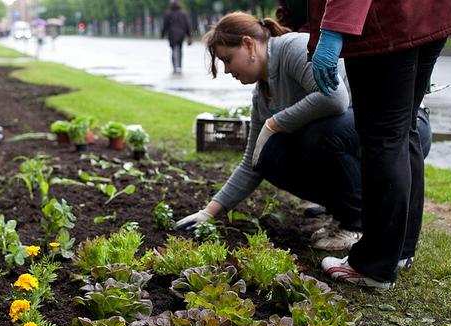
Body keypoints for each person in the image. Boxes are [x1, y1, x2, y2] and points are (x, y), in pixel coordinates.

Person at [175, 12, 432, 254]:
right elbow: (251, 162)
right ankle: (345, 211)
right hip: (357, 138)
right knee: (268, 156)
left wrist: (275, 123)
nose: (228, 70)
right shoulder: (263, 96)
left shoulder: (293, 48)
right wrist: (209, 212)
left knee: (318, 135)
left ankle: (356, 223)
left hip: (399, 129)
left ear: (249, 44)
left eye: (227, 59)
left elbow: (335, 99)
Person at [308, 1, 451, 290]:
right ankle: (399, 252)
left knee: (383, 137)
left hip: (387, 18)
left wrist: (334, 27)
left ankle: (374, 265)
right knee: (402, 129)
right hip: (431, 11)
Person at [161, 0, 192, 74]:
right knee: (180, 50)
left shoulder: (168, 14)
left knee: (173, 50)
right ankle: (180, 66)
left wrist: (162, 34)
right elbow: (187, 25)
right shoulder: (183, 13)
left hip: (172, 35)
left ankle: (175, 66)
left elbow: (165, 25)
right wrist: (189, 36)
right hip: (181, 35)